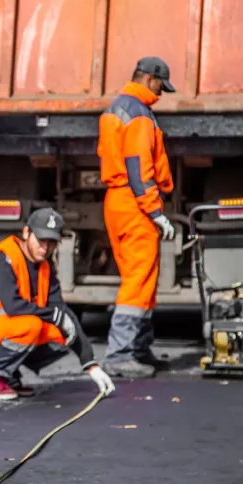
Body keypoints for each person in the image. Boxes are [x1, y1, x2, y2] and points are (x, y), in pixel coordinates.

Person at [0, 207, 115, 400]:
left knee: (63, 332)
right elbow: (14, 307)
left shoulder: (44, 267)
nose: (45, 248)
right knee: (31, 325)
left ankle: (9, 373)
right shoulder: (4, 259)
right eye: (41, 240)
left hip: (0, 327)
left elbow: (62, 311)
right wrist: (54, 316)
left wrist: (90, 364)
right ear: (27, 233)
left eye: (52, 242)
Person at [97, 56, 176, 379]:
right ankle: (120, 355)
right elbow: (138, 166)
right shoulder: (140, 114)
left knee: (138, 277)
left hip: (117, 202)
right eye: (160, 86)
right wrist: (155, 211)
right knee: (138, 280)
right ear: (149, 79)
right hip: (135, 204)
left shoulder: (116, 108)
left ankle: (138, 350)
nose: (161, 93)